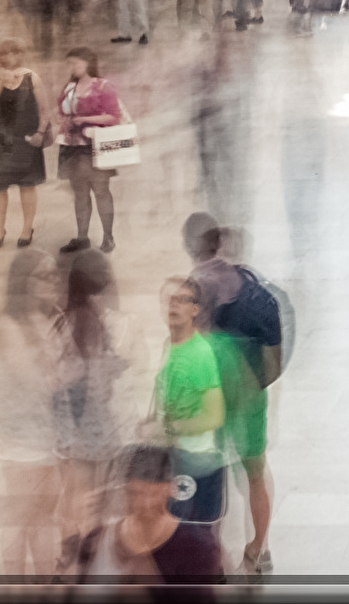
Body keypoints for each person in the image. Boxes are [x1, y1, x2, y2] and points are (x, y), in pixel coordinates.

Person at [181, 216, 282, 579]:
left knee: (212, 474)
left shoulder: (195, 289)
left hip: (213, 397)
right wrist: (255, 386)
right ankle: (259, 550)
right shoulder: (251, 285)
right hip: (250, 396)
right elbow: (274, 359)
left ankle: (214, 555)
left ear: (188, 245)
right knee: (255, 472)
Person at [51, 248, 129, 573]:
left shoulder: (61, 320)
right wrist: (116, 366)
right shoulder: (93, 324)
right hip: (95, 429)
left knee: (73, 495)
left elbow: (57, 380)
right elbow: (97, 381)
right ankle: (88, 562)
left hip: (66, 430)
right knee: (94, 502)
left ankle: (69, 556)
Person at [0, 249, 61, 578]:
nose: (53, 282)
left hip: (52, 436)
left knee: (46, 516)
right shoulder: (7, 325)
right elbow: (35, 381)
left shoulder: (53, 318)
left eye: (54, 274)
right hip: (22, 439)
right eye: (44, 276)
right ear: (24, 282)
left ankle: (46, 584)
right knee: (20, 515)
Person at [74, 443, 226, 591]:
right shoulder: (95, 540)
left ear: (170, 489)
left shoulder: (198, 549)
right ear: (124, 490)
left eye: (153, 494)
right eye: (136, 493)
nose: (145, 504)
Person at [153, 276, 229, 527]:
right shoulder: (169, 345)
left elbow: (213, 416)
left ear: (195, 309)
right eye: (169, 300)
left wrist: (168, 428)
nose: (173, 306)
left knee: (194, 539)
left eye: (182, 300)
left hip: (197, 461)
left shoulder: (200, 354)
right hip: (173, 455)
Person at [0, 41, 48, 249]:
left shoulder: (31, 77)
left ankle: (27, 228)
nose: (6, 58)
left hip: (24, 138)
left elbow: (44, 110)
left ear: (20, 55)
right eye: (2, 54)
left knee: (27, 184)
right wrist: (1, 80)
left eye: (11, 53)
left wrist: (41, 132)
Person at [56, 48, 124, 255]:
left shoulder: (103, 86)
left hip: (95, 146)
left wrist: (86, 120)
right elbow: (62, 112)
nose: (72, 68)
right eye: (69, 64)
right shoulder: (69, 88)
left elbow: (114, 116)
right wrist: (65, 122)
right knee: (80, 194)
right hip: (72, 146)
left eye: (75, 63)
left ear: (87, 63)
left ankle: (108, 236)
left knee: (101, 191)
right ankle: (82, 236)